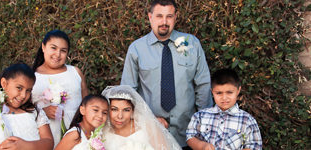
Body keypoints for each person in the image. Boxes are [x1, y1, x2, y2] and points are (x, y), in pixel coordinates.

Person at [120, 0, 213, 147]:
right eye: (159, 16)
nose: (164, 22)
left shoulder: (192, 44)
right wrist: (147, 120)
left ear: (176, 17)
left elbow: (203, 85)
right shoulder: (136, 49)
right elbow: (127, 93)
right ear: (150, 17)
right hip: (150, 137)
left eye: (169, 16)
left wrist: (206, 125)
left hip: (189, 135)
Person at [31, 29, 89, 147]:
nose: (57, 54)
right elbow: (20, 110)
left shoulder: (75, 73)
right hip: (44, 137)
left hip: (75, 136)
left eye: (63, 51)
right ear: (43, 47)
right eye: (53, 48)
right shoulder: (32, 77)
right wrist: (43, 112)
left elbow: (87, 104)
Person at [186, 69, 262, 150]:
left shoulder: (247, 120)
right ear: (212, 92)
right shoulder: (200, 116)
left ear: (238, 90)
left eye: (229, 92)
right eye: (219, 93)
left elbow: (255, 146)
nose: (224, 98)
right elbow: (190, 136)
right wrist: (202, 146)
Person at [101, 85, 181, 150]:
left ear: (133, 111)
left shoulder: (147, 126)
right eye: (114, 109)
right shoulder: (101, 132)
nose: (120, 116)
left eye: (126, 110)